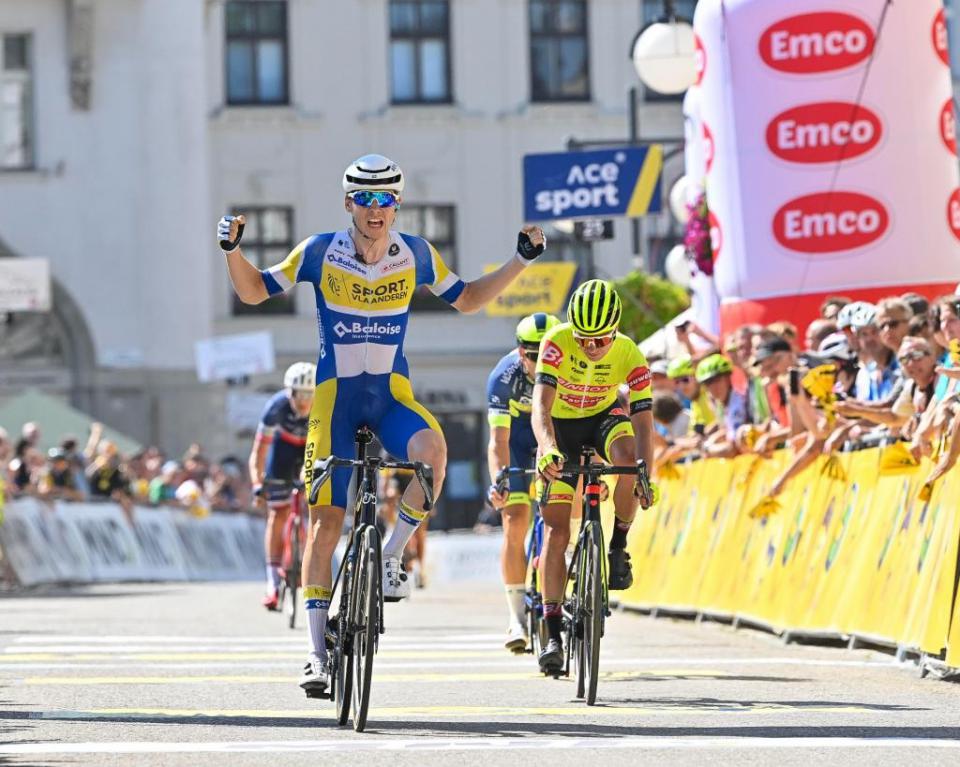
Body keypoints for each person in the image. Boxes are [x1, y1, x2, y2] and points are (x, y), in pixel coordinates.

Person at [218, 153, 545, 695]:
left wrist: (520, 260)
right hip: (335, 402)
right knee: (326, 524)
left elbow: (468, 299)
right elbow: (253, 291)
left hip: (391, 397)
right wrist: (233, 251)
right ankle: (316, 654)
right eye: (366, 199)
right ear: (349, 202)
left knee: (433, 453)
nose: (376, 208)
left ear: (397, 204)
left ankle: (391, 557)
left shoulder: (415, 254)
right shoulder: (319, 251)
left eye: (386, 199)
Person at [532, 279, 658, 673]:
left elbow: (644, 422)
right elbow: (540, 407)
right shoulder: (556, 342)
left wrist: (646, 474)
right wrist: (547, 448)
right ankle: (552, 631)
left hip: (603, 419)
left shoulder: (630, 353)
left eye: (600, 339)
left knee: (628, 459)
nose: (589, 347)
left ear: (615, 330)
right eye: (582, 338)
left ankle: (618, 545)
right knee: (556, 533)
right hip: (560, 429)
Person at [486, 311, 560, 653]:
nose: (541, 362)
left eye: (548, 354)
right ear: (520, 353)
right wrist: (499, 481)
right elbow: (498, 441)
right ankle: (516, 618)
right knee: (515, 521)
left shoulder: (568, 369)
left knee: (564, 512)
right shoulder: (504, 377)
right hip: (516, 443)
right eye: (533, 355)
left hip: (554, 438)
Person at [248, 361, 316, 611]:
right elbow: (258, 452)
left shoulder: (323, 405)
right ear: (289, 392)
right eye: (299, 394)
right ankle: (273, 582)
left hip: (311, 448)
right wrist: (257, 483)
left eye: (309, 394)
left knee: (317, 508)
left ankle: (307, 565)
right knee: (278, 513)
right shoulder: (275, 408)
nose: (304, 401)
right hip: (283, 450)